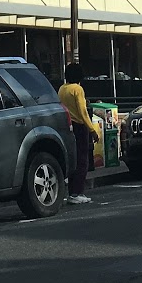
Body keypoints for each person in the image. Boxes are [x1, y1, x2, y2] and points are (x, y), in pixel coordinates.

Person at [58, 63, 98, 204]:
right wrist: (92, 130)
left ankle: (71, 192)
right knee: (82, 160)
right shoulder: (78, 89)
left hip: (67, 126)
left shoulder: (62, 89)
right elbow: (83, 111)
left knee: (73, 159)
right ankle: (78, 192)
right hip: (80, 127)